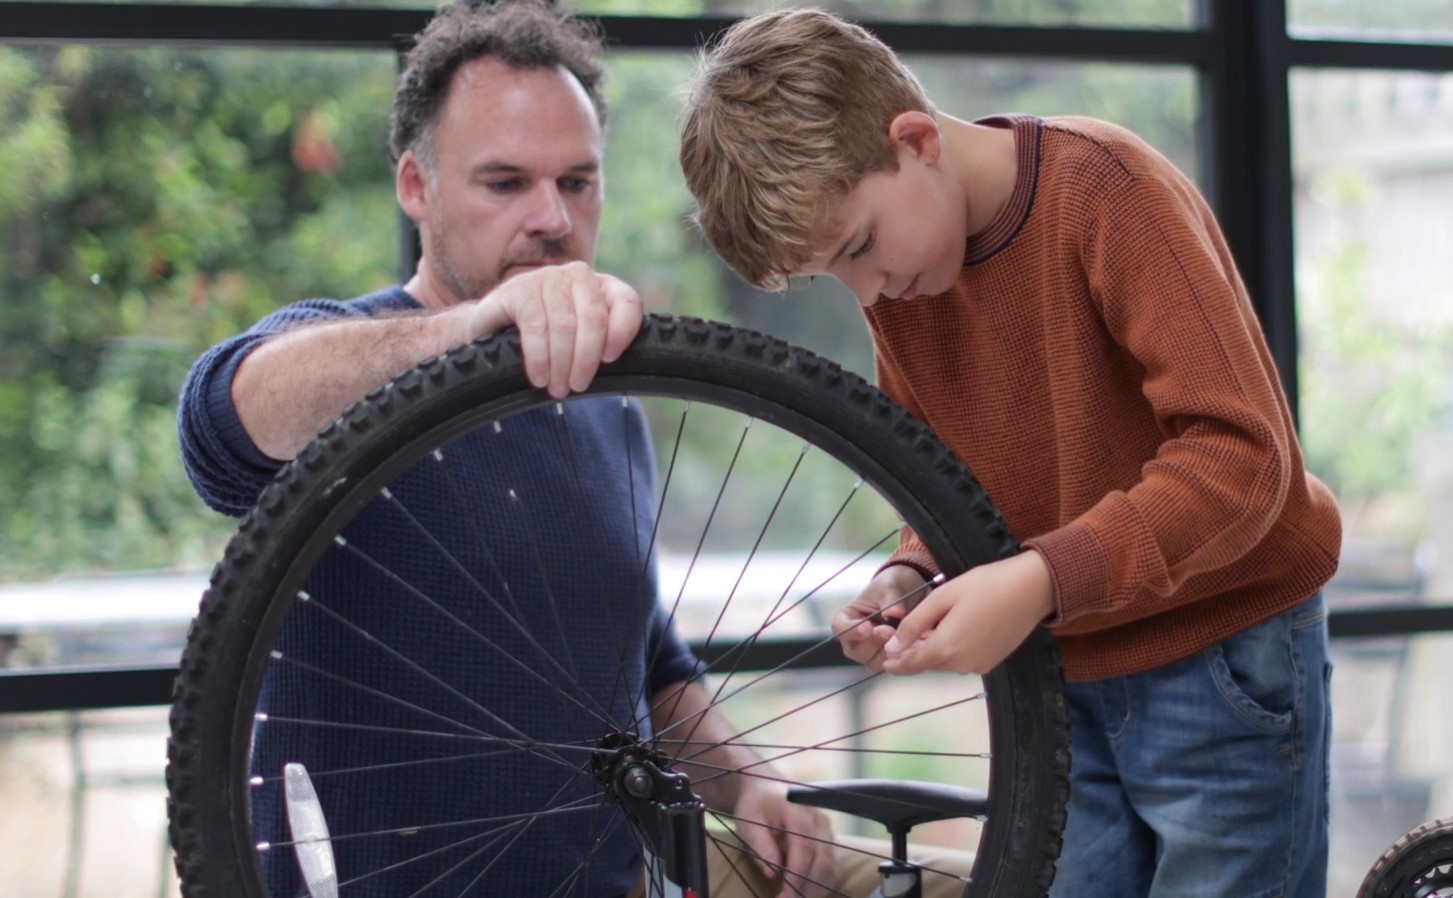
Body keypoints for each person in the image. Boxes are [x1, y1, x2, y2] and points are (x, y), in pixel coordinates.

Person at [176, 2, 941, 896]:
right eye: (504, 183)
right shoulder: (354, 356)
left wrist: (751, 780)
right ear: (416, 186)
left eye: (577, 183)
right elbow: (220, 420)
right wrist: (469, 336)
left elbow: (640, 657)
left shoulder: (607, 408)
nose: (549, 217)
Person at [679, 9, 1343, 898]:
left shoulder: (1106, 190)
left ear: (914, 140)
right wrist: (916, 574)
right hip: (1058, 674)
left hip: (1219, 655)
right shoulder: (909, 272)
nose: (866, 291)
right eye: (831, 275)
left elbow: (1243, 459)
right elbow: (951, 481)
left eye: (860, 248)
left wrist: (1036, 580)